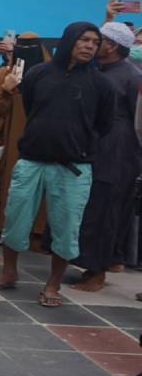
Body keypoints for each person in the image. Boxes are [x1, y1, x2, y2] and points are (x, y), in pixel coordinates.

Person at [0, 23, 114, 308]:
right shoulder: (39, 75)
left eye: (95, 41)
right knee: (15, 221)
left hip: (73, 168)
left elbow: (103, 125)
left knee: (66, 230)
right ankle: (8, 271)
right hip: (31, 162)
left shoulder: (101, 84)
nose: (90, 46)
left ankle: (53, 284)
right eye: (84, 40)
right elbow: (31, 108)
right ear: (68, 41)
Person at [70, 22, 141, 291]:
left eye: (98, 40)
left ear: (111, 46)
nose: (91, 45)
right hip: (97, 149)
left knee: (106, 213)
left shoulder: (132, 77)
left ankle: (97, 273)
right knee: (92, 210)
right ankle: (93, 264)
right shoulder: (97, 71)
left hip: (118, 153)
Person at [0, 34, 49, 245]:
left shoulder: (50, 75)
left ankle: (36, 234)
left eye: (32, 47)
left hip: (43, 139)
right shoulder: (5, 73)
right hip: (12, 140)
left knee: (41, 188)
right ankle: (2, 228)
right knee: (7, 184)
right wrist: (7, 90)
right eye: (23, 47)